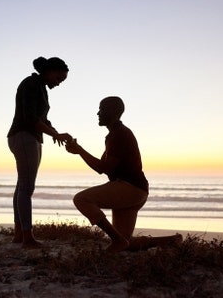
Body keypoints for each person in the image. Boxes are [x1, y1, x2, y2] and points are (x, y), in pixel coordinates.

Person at [65, 96, 181, 252]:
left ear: (113, 111)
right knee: (127, 243)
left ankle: (118, 240)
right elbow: (101, 168)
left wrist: (79, 150)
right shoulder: (115, 134)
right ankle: (169, 241)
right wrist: (79, 151)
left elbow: (105, 168)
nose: (97, 113)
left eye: (101, 109)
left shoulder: (119, 134)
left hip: (129, 188)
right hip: (137, 191)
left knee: (81, 199)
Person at [7, 56, 72, 248]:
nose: (59, 83)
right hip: (23, 136)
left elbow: (43, 118)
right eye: (59, 78)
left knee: (22, 186)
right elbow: (30, 118)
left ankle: (20, 234)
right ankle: (27, 237)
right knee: (27, 188)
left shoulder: (41, 87)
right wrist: (55, 134)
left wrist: (56, 132)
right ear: (49, 71)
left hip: (31, 138)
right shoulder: (30, 84)